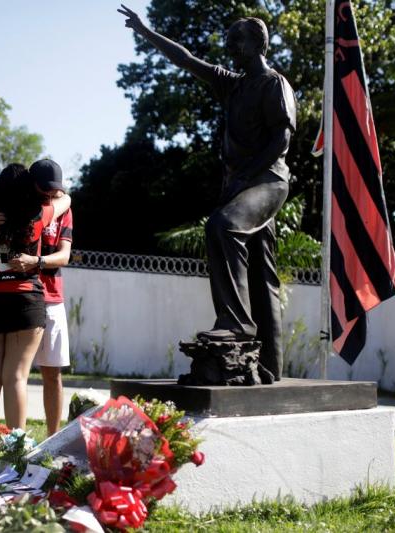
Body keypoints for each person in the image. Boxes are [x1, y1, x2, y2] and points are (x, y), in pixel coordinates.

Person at [118, 6, 295, 380]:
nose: (229, 48)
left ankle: (235, 323)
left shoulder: (274, 84)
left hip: (268, 181)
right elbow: (186, 58)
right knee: (264, 273)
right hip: (242, 184)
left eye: (236, 41)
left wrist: (247, 174)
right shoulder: (233, 84)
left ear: (255, 44)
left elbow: (282, 137)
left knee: (222, 226)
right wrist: (145, 31)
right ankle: (269, 366)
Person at [0, 162, 71, 434]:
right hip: (24, 298)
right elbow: (64, 202)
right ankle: (16, 449)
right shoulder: (35, 214)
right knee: (16, 378)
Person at [9, 160, 73, 436]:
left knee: (53, 373)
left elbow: (64, 255)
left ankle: (52, 437)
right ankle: (12, 438)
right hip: (22, 295)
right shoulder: (22, 207)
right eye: (46, 189)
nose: (51, 194)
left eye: (55, 190)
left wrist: (36, 261)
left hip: (53, 298)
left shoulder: (63, 209)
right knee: (13, 373)